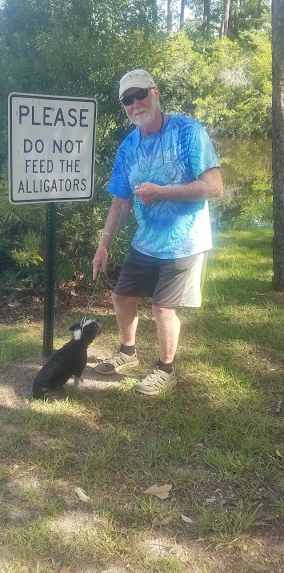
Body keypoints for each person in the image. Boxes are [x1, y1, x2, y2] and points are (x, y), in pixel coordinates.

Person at [92, 69, 223, 395]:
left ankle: (166, 369)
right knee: (121, 296)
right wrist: (103, 244)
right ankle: (128, 352)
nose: (135, 104)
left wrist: (162, 192)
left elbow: (215, 187)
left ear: (156, 93)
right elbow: (121, 201)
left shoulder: (188, 132)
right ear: (124, 106)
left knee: (163, 308)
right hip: (147, 240)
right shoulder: (128, 148)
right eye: (127, 100)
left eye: (140, 95)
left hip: (185, 240)